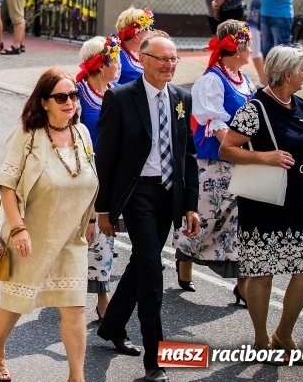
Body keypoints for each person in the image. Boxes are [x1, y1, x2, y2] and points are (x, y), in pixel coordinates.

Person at [95, 32, 200, 382]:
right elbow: (105, 157)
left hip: (168, 193)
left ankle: (112, 325)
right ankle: (155, 362)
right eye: (162, 59)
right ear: (143, 60)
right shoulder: (121, 97)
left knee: (143, 262)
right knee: (153, 273)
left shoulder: (182, 98)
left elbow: (187, 155)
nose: (169, 65)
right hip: (137, 192)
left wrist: (190, 205)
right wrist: (104, 209)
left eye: (174, 59)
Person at [0, 68, 97, 382]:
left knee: (74, 307)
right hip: (31, 236)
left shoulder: (82, 134)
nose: (69, 102)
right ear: (44, 102)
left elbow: (89, 180)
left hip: (71, 238)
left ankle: (77, 377)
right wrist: (18, 229)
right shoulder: (27, 134)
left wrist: (90, 218)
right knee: (16, 302)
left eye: (73, 95)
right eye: (61, 97)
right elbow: (6, 185)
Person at [220, 44, 303, 362]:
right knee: (263, 273)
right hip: (263, 203)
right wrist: (266, 157)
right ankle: (261, 338)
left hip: (297, 202)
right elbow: (226, 148)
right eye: (302, 69)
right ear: (287, 74)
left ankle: (283, 334)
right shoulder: (255, 109)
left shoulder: (301, 105)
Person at [172, 20, 254, 299]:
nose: (251, 50)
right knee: (205, 219)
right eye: (248, 44)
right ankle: (185, 262)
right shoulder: (212, 80)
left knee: (240, 223)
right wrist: (238, 148)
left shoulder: (244, 80)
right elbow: (216, 126)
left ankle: (243, 285)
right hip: (214, 162)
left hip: (240, 160)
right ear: (237, 47)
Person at [75, 34, 121, 320]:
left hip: (108, 176)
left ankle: (103, 298)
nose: (119, 64)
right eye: (114, 60)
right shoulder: (77, 94)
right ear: (101, 65)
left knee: (104, 237)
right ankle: (69, 292)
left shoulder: (117, 92)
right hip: (79, 176)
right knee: (76, 236)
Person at [245, 0, 276, 87]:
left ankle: (268, 82)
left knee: (266, 49)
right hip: (254, 15)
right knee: (254, 47)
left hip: (266, 15)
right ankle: (263, 81)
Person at [115, 6, 154, 85]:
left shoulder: (143, 53)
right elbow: (110, 87)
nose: (151, 32)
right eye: (147, 28)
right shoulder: (116, 57)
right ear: (136, 34)